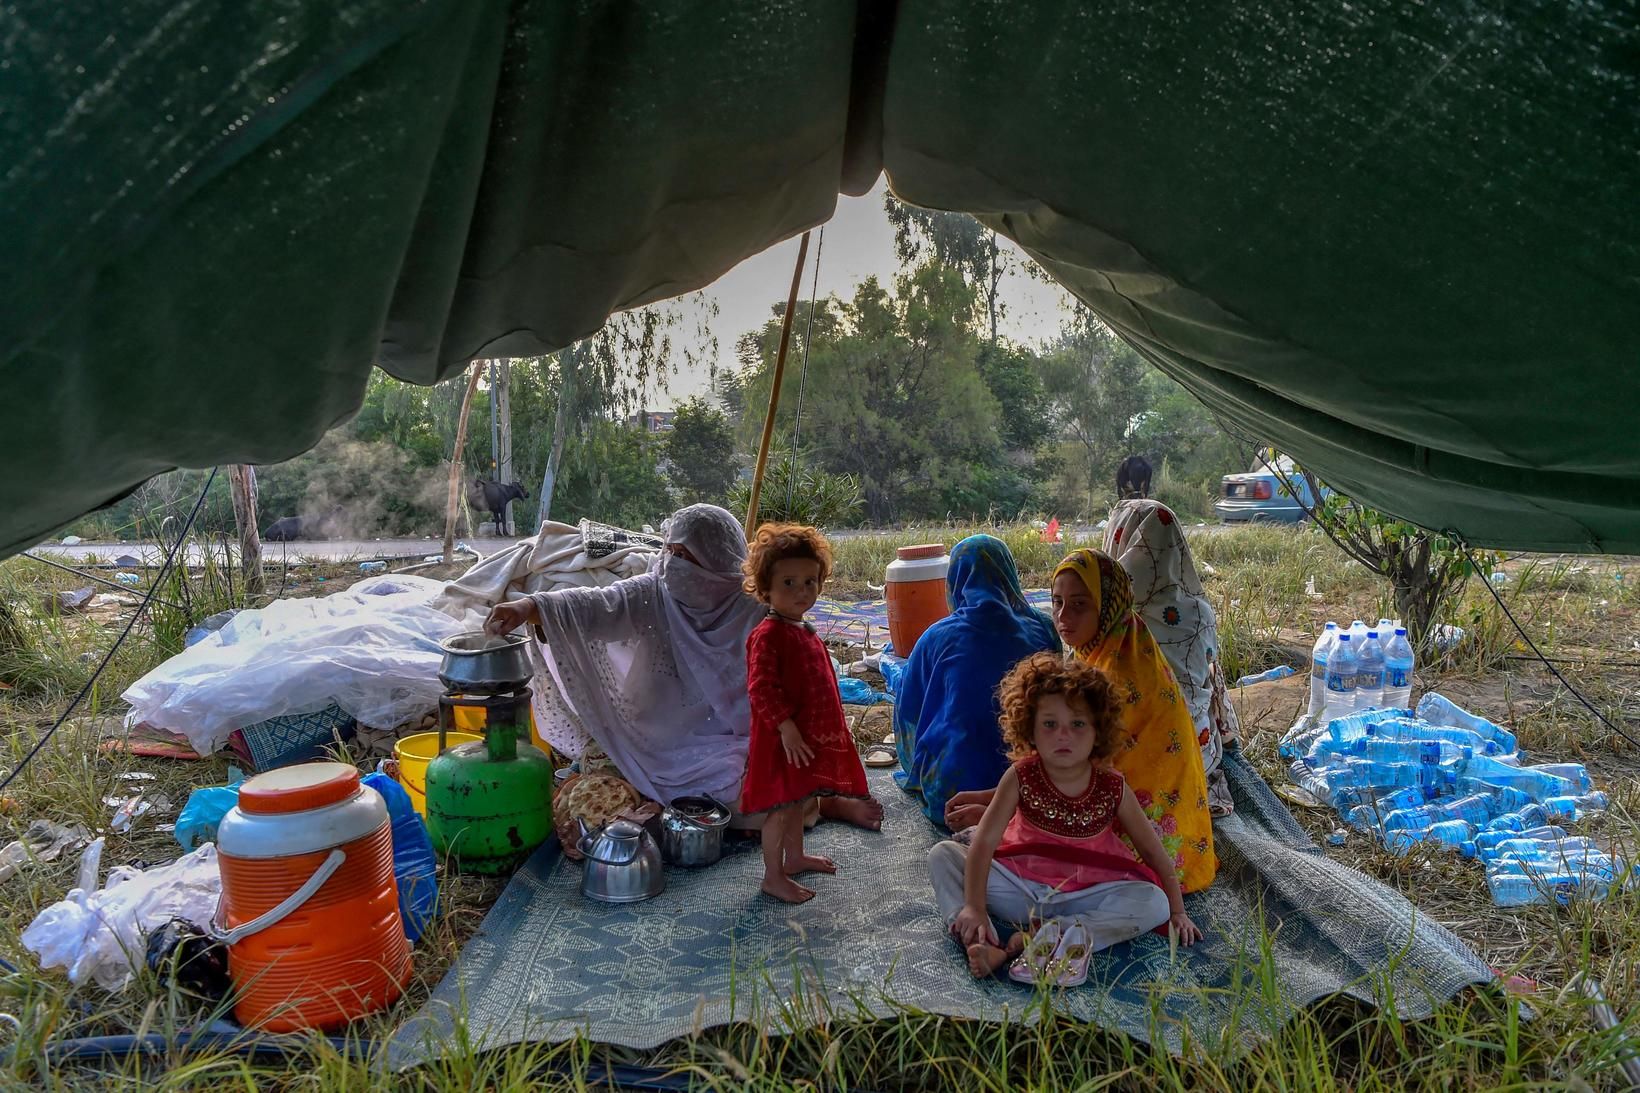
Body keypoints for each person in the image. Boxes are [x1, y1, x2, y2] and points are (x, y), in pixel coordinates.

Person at [483, 503, 884, 830]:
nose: (671, 563)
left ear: (717, 563)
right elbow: (597, 604)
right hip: (656, 737)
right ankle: (794, 806)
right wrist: (528, 606)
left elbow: (802, 681)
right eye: (669, 551)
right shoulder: (654, 592)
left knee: (765, 782)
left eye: (684, 556)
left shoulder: (758, 609)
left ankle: (822, 803)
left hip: (749, 736)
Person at [945, 548, 1217, 894]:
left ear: (1106, 606)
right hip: (1157, 826)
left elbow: (1075, 771)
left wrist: (998, 809)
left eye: (1079, 604)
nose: (1062, 617)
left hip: (1136, 838)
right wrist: (995, 798)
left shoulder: (1115, 678)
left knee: (975, 851)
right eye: (1056, 602)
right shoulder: (1123, 643)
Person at [929, 653, 1200, 980]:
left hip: (1085, 894)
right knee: (943, 855)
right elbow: (984, 843)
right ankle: (978, 935)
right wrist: (973, 906)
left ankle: (1030, 942)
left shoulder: (1113, 787)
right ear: (1029, 727)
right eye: (1049, 724)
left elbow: (1154, 852)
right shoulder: (1020, 777)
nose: (1063, 735)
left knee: (1153, 902)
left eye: (1077, 724)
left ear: (1098, 731)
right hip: (1020, 890)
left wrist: (1178, 911)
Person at [740, 523, 871, 903]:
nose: (802, 592)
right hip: (782, 740)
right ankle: (772, 875)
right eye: (789, 583)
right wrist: (786, 728)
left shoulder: (801, 628)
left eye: (810, 582)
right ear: (765, 589)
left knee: (798, 798)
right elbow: (760, 689)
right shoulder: (767, 635)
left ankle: (794, 858)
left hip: (801, 739)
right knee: (780, 808)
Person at [894, 535, 1060, 826]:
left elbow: (909, 713)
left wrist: (914, 765)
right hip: (1036, 787)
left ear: (955, 581)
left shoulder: (936, 637)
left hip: (954, 796)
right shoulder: (1045, 628)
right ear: (1010, 574)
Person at [1103, 499, 1239, 815]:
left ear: (1117, 539)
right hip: (1196, 761)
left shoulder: (1108, 613)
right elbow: (1209, 684)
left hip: (1129, 773)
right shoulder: (1199, 611)